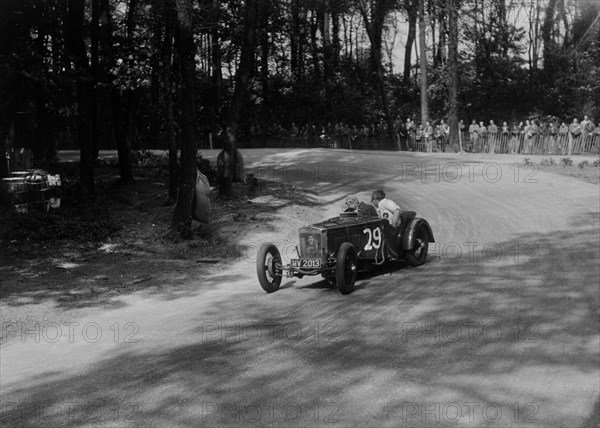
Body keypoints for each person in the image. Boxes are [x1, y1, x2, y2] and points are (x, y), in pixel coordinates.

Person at [371, 190, 402, 258]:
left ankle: (392, 253)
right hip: (386, 227)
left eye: (372, 201)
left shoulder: (385, 202)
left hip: (391, 227)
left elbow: (397, 210)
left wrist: (394, 223)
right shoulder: (379, 207)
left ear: (375, 200)